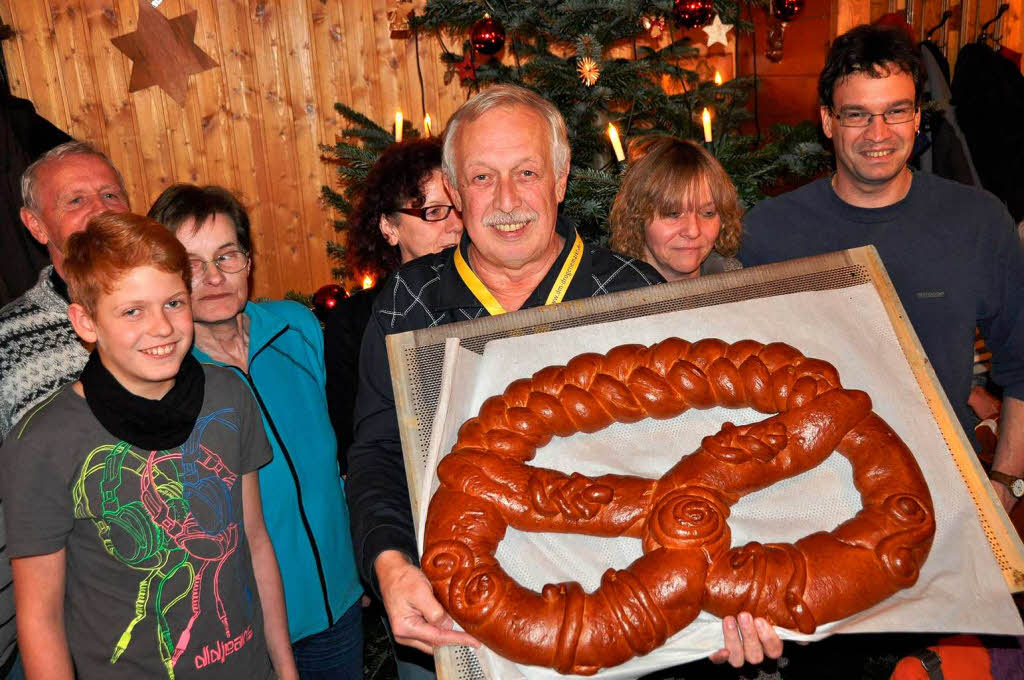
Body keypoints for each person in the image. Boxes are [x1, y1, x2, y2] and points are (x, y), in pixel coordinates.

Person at [346, 84, 778, 674]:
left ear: (561, 176)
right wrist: (391, 564)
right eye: (481, 178)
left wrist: (732, 598)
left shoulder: (635, 295)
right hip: (457, 619)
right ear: (453, 189)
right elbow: (379, 452)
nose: (507, 200)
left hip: (625, 610)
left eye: (527, 172)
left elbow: (695, 464)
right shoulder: (407, 301)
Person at [739, 24, 1024, 515]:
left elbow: (1022, 367)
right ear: (828, 121)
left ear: (917, 117)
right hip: (804, 492)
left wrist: (1003, 481)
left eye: (896, 111)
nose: (878, 134)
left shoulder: (977, 221)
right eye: (857, 115)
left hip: (944, 487)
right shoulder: (768, 231)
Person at [1, 212, 298, 679]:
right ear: (86, 321)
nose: (161, 328)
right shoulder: (41, 443)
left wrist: (284, 667)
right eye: (132, 311)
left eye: (174, 303)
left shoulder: (229, 394)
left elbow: (255, 540)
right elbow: (40, 618)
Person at [148, 184, 364, 680]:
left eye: (227, 256)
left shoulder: (297, 328)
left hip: (338, 602)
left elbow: (338, 459)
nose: (214, 277)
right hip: (242, 632)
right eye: (191, 263)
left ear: (249, 260)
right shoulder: (170, 379)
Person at [0, 140, 130, 680]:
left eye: (110, 193)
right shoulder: (8, 342)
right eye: (75, 200)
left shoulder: (174, 311)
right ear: (36, 225)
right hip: (68, 623)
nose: (99, 209)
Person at [324, 137, 462, 475]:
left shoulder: (492, 293)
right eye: (433, 212)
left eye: (459, 208)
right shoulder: (354, 321)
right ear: (389, 227)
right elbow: (352, 443)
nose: (455, 225)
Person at [609, 135, 743, 281]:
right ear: (636, 216)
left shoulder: (738, 284)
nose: (693, 231)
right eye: (673, 213)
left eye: (708, 213)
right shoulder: (611, 298)